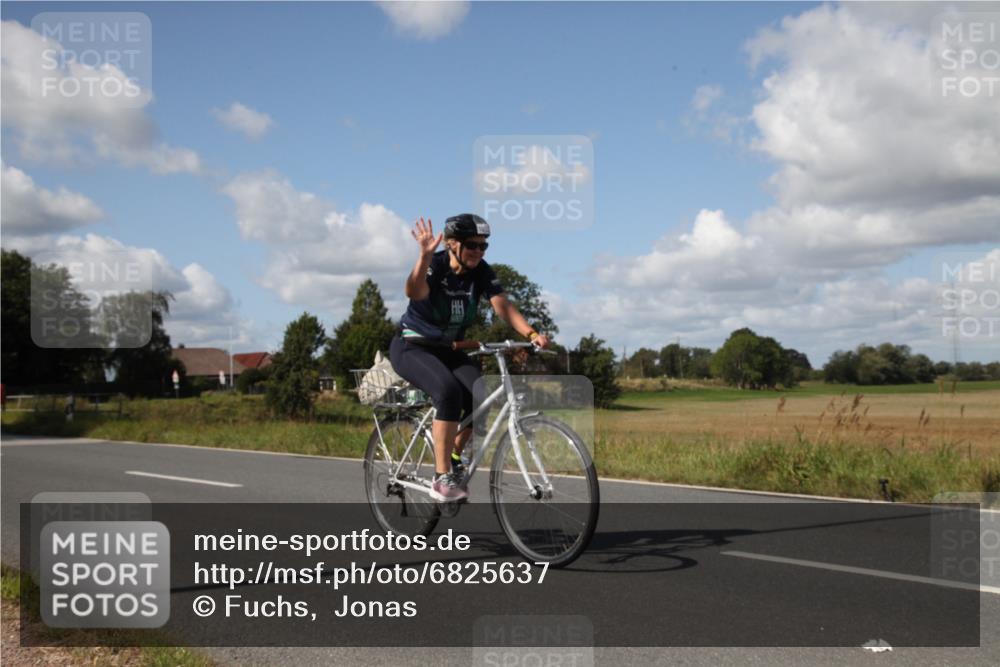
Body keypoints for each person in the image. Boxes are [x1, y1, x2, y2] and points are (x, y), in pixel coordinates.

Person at [390, 213, 550, 502]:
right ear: (452, 244)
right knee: (448, 392)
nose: (478, 251)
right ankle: (441, 478)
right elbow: (414, 292)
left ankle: (453, 454)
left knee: (482, 395)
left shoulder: (482, 272)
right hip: (413, 347)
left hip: (449, 349)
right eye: (472, 245)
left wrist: (531, 334)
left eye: (483, 246)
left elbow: (503, 305)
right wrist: (424, 257)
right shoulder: (436, 265)